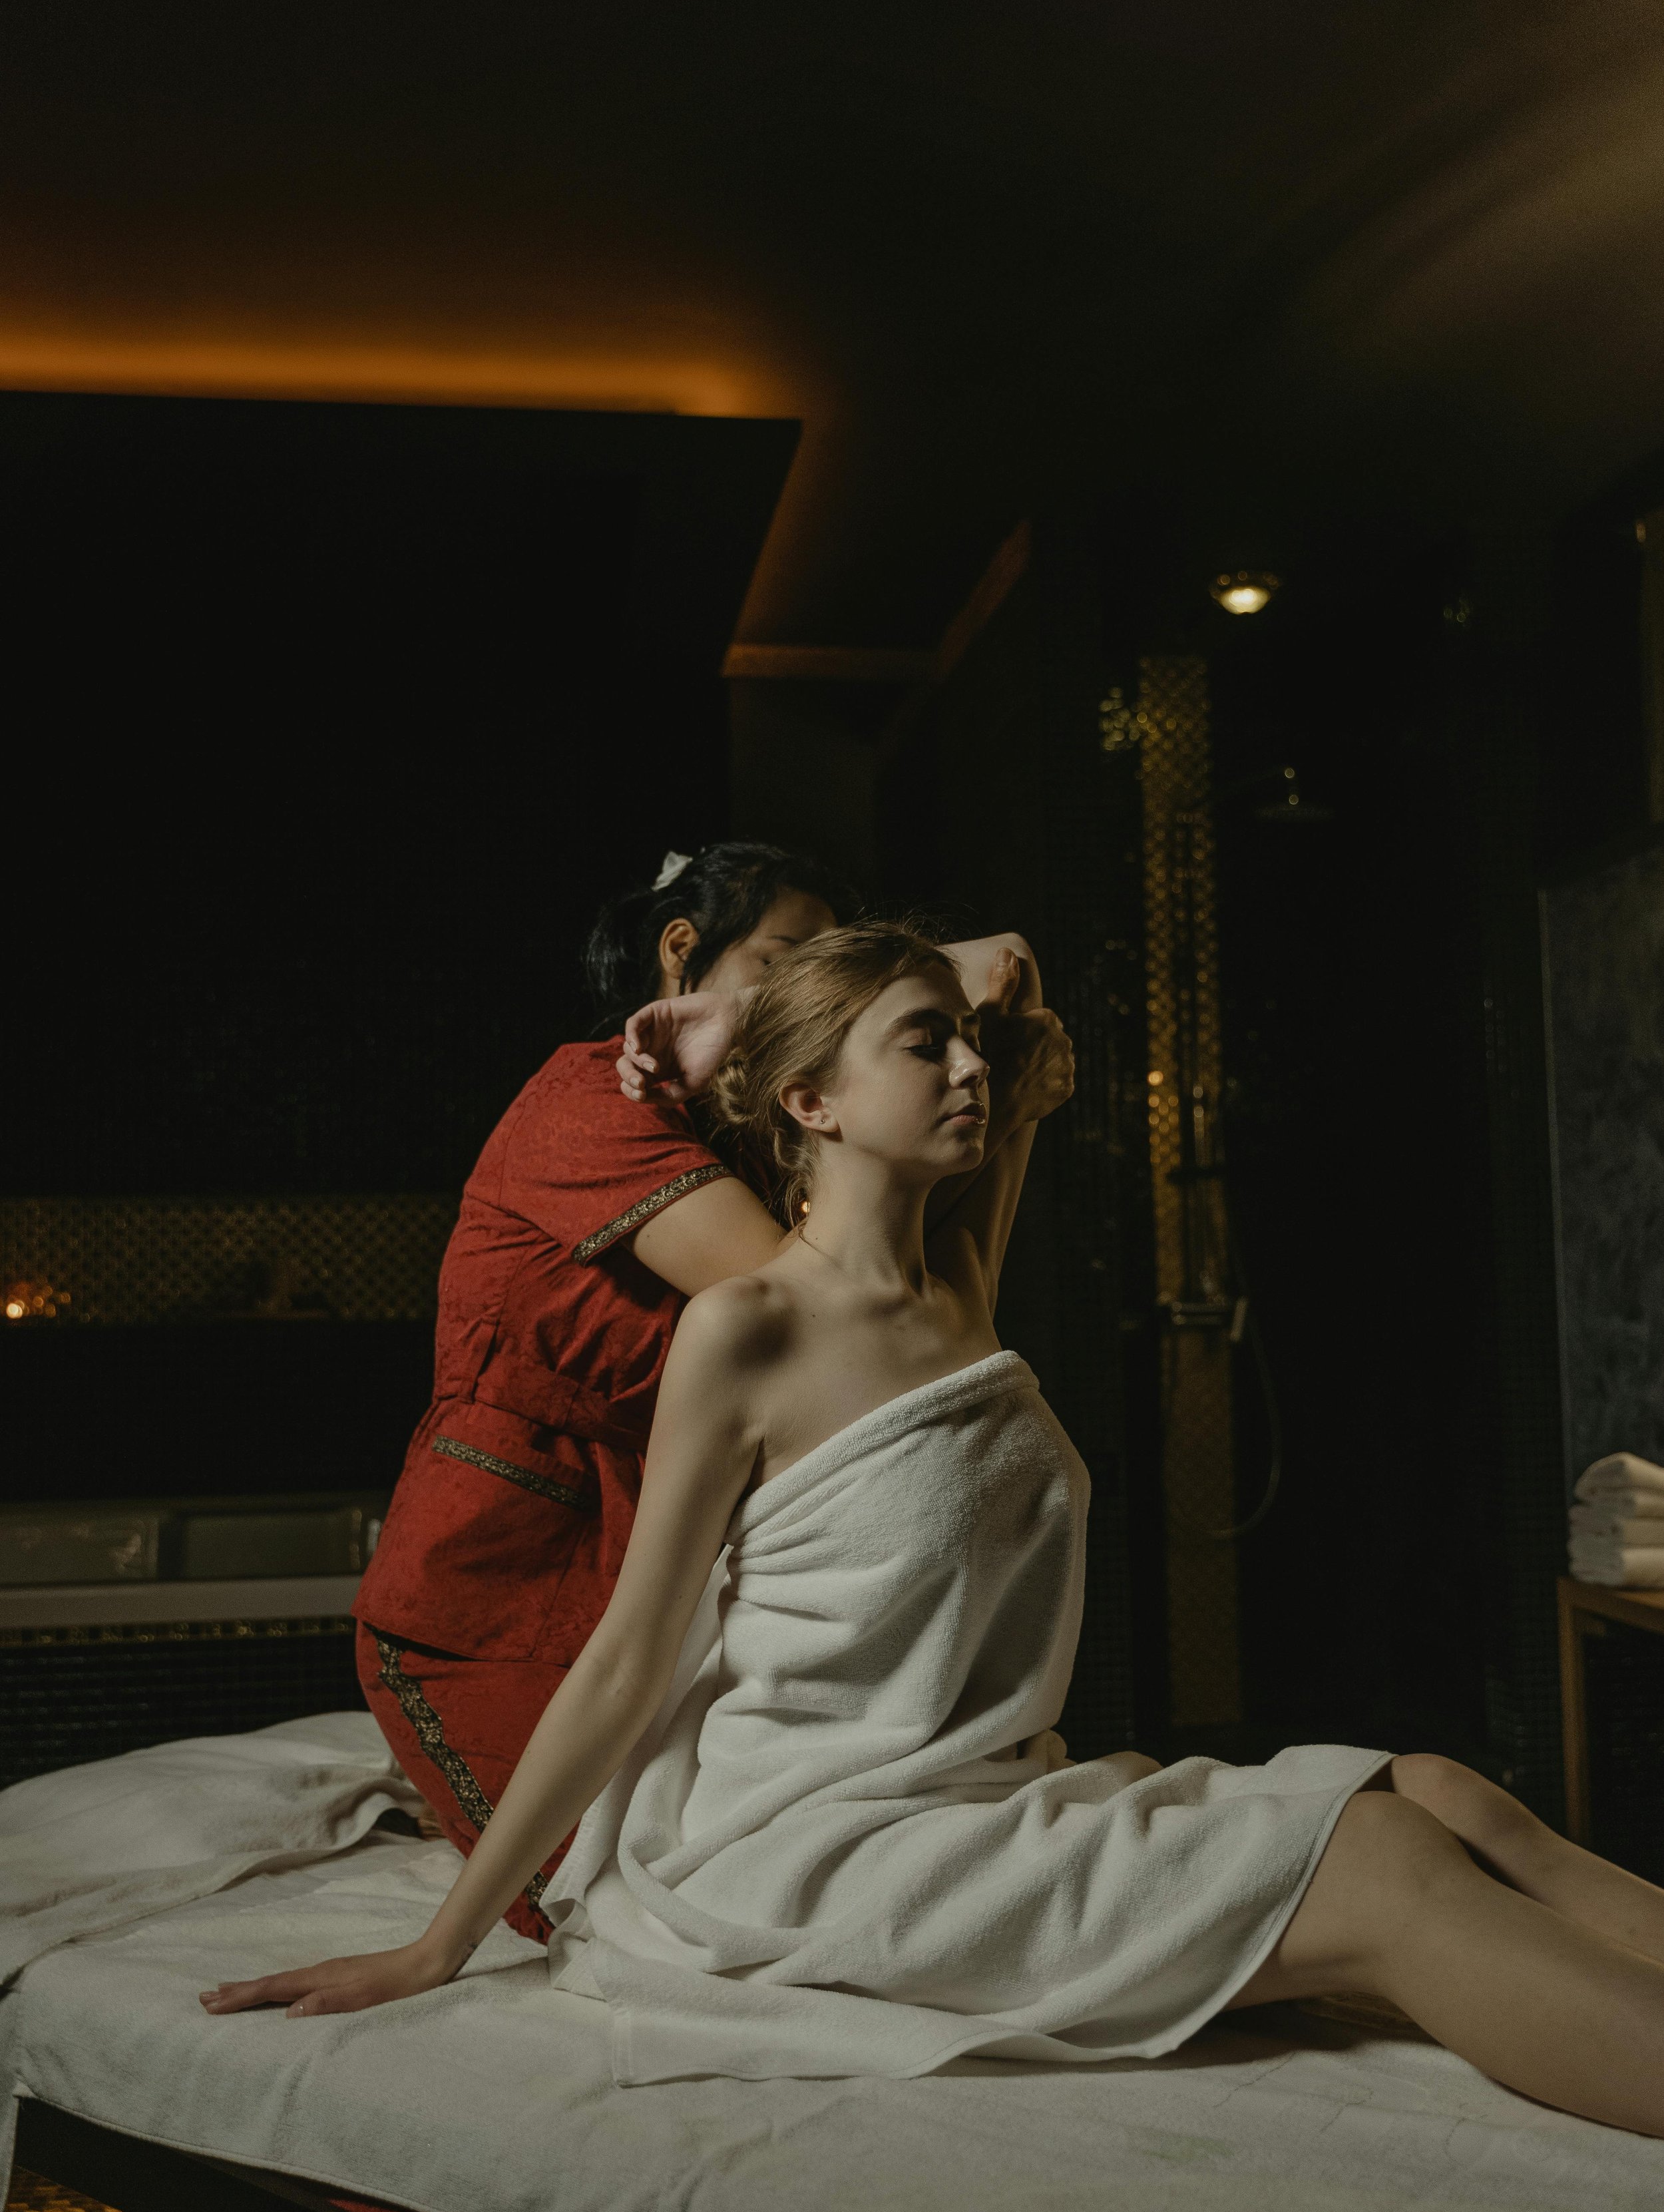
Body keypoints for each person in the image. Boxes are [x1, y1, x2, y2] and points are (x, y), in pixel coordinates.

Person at [206, 922, 1664, 2135]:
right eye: (921, 1047)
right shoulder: (750, 1329)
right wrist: (442, 1939)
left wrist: (929, 993)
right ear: (810, 1105)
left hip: (962, 1797)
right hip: (807, 1847)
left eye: (957, 1046)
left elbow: (1007, 980)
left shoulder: (956, 1283)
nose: (966, 1065)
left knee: (1437, 1791)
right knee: (1387, 1873)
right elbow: (628, 1656)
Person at [351, 848, 1074, 1936]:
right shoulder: (587, 1098)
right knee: (599, 1899)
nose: (804, 993)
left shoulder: (730, 1131)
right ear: (682, 949)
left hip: (662, 1567)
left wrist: (968, 1064)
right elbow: (830, 1315)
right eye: (787, 964)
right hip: (498, 1575)